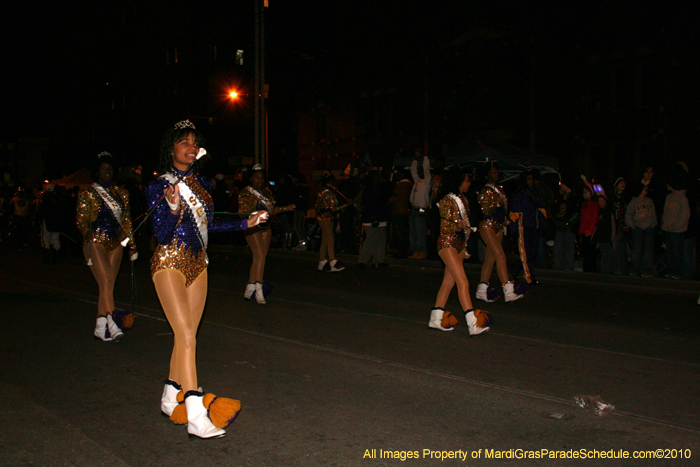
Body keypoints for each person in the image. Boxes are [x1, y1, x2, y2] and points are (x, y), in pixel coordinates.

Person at [146, 120, 268, 439]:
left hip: (199, 265)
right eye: (183, 141)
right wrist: (172, 210)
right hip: (169, 262)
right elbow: (160, 233)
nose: (189, 146)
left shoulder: (204, 187)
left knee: (185, 335)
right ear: (170, 149)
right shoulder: (159, 185)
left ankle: (170, 395)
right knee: (187, 336)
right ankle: (197, 414)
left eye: (194, 142)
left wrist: (246, 223)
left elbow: (210, 227)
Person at [75, 152, 137, 342]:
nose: (108, 170)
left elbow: (126, 221)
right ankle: (112, 321)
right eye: (104, 167)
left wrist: (132, 245)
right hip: (96, 242)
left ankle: (100, 326)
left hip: (116, 243)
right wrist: (86, 231)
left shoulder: (122, 193)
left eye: (110, 167)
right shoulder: (88, 193)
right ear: (97, 170)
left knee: (108, 285)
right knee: (106, 283)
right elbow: (81, 219)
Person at [429, 168, 491, 336]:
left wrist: (463, 248)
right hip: (446, 244)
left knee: (448, 283)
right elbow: (446, 227)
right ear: (458, 181)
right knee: (463, 281)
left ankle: (435, 318)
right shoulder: (447, 200)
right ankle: (472, 323)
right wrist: (459, 225)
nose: (468, 183)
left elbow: (464, 228)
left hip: (457, 245)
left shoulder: (463, 199)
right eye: (466, 180)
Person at [238, 165, 295, 303]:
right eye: (256, 177)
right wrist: (254, 203)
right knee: (260, 256)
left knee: (259, 257)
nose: (259, 180)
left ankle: (250, 288)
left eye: (261, 177)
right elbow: (242, 212)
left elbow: (272, 209)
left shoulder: (267, 192)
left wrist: (285, 208)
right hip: (253, 227)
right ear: (251, 178)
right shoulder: (246, 193)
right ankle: (258, 288)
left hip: (266, 227)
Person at [475, 163, 524, 303]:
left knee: (490, 260)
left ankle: (481, 290)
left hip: (498, 226)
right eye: (492, 171)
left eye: (497, 171)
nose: (495, 173)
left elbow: (502, 210)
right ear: (487, 174)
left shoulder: (499, 189)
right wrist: (493, 203)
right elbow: (485, 210)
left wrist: (505, 220)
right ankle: (508, 291)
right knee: (500, 255)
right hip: (488, 226)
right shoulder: (486, 189)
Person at [508, 170, 547, 284]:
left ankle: (515, 270)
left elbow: (541, 210)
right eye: (528, 179)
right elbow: (515, 213)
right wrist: (513, 228)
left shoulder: (534, 193)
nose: (531, 181)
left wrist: (543, 225)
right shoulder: (520, 194)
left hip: (534, 227)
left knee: (534, 252)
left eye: (531, 179)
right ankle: (529, 277)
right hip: (523, 227)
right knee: (526, 253)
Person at [315, 173, 348, 272]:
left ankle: (322, 261)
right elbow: (333, 209)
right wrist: (346, 205)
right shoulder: (329, 193)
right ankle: (332, 261)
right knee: (330, 239)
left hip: (321, 217)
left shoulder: (321, 192)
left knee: (325, 239)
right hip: (326, 218)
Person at [357, 171, 390, 269]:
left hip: (379, 218)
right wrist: (373, 216)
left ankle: (378, 261)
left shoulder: (378, 188)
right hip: (372, 218)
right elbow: (369, 204)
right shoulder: (369, 189)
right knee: (371, 240)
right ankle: (362, 261)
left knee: (380, 240)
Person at [661, 173, 690, 279]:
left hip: (677, 232)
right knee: (669, 252)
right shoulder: (668, 197)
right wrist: (664, 223)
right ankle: (670, 271)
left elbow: (684, 216)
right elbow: (665, 212)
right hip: (668, 230)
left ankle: (677, 273)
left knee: (677, 253)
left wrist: (674, 226)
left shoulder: (682, 199)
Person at [625, 182, 658, 277]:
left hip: (648, 228)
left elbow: (653, 214)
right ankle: (636, 269)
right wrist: (633, 226)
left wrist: (653, 225)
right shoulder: (633, 202)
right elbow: (628, 215)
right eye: (643, 188)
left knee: (648, 250)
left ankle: (647, 270)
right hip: (637, 228)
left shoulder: (649, 201)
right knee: (637, 250)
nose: (645, 189)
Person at [552, 177, 579, 271]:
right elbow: (555, 211)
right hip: (560, 227)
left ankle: (568, 268)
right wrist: (556, 222)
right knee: (557, 248)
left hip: (569, 228)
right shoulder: (559, 198)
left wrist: (568, 223)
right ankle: (558, 266)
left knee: (568, 249)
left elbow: (576, 214)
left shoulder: (574, 199)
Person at [408, 150, 431, 259]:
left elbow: (426, 170)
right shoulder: (417, 181)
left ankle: (422, 251)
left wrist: (425, 158)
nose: (420, 172)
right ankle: (415, 251)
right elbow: (413, 171)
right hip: (413, 209)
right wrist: (416, 160)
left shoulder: (426, 181)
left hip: (421, 210)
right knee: (413, 232)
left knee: (420, 232)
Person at [388, 168, 412, 258]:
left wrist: (387, 200)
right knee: (401, 231)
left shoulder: (403, 185)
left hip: (400, 210)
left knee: (400, 231)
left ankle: (402, 251)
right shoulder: (406, 184)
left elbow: (398, 197)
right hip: (401, 210)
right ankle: (402, 250)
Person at [37, 184, 63, 263]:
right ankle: (55, 258)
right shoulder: (58, 199)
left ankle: (47, 258)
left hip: (47, 221)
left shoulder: (45, 199)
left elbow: (41, 210)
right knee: (55, 240)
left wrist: (39, 218)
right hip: (57, 222)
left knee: (46, 239)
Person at [578, 182, 599, 272]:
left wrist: (589, 231)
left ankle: (591, 269)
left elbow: (594, 218)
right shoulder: (584, 204)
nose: (584, 194)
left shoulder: (594, 204)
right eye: (583, 193)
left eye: (586, 193)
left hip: (589, 231)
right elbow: (582, 218)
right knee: (585, 251)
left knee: (590, 251)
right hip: (583, 230)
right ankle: (586, 268)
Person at [611, 177, 630, 275]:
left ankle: (617, 268)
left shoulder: (626, 197)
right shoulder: (613, 198)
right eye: (620, 182)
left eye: (624, 182)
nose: (623, 184)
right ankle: (623, 269)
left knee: (617, 245)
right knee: (621, 247)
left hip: (624, 226)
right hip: (615, 226)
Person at [594, 194, 615, 274]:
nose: (600, 203)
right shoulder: (598, 212)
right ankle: (604, 270)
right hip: (601, 237)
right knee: (603, 254)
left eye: (602, 201)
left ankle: (609, 270)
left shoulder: (609, 212)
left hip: (608, 237)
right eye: (599, 201)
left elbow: (613, 225)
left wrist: (612, 237)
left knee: (609, 254)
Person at [292, 172, 310, 251]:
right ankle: (303, 243)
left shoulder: (299, 188)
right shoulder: (306, 188)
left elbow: (297, 198)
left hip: (298, 208)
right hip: (303, 208)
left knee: (296, 226)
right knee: (301, 226)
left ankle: (302, 243)